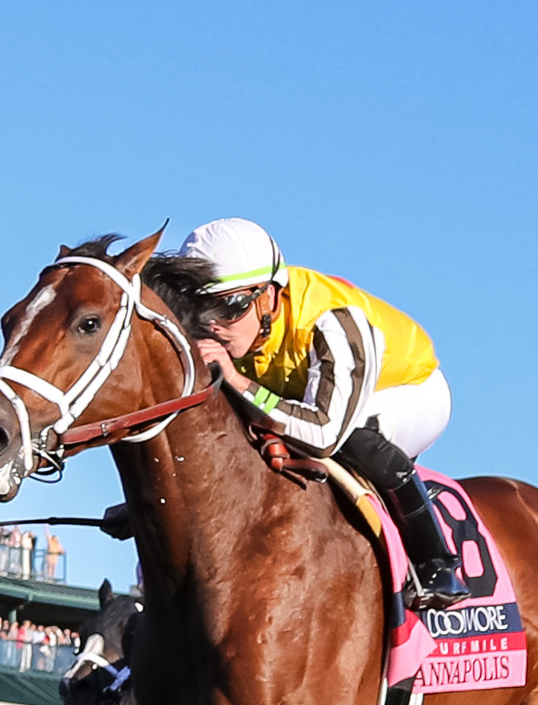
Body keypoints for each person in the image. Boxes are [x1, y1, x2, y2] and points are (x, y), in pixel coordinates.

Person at [162, 218, 469, 609]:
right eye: (201, 309)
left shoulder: (332, 321)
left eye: (229, 307)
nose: (214, 325)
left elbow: (324, 435)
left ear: (269, 296)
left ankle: (435, 562)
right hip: (309, 395)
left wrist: (240, 384)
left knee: (353, 438)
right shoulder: (240, 326)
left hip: (409, 390)